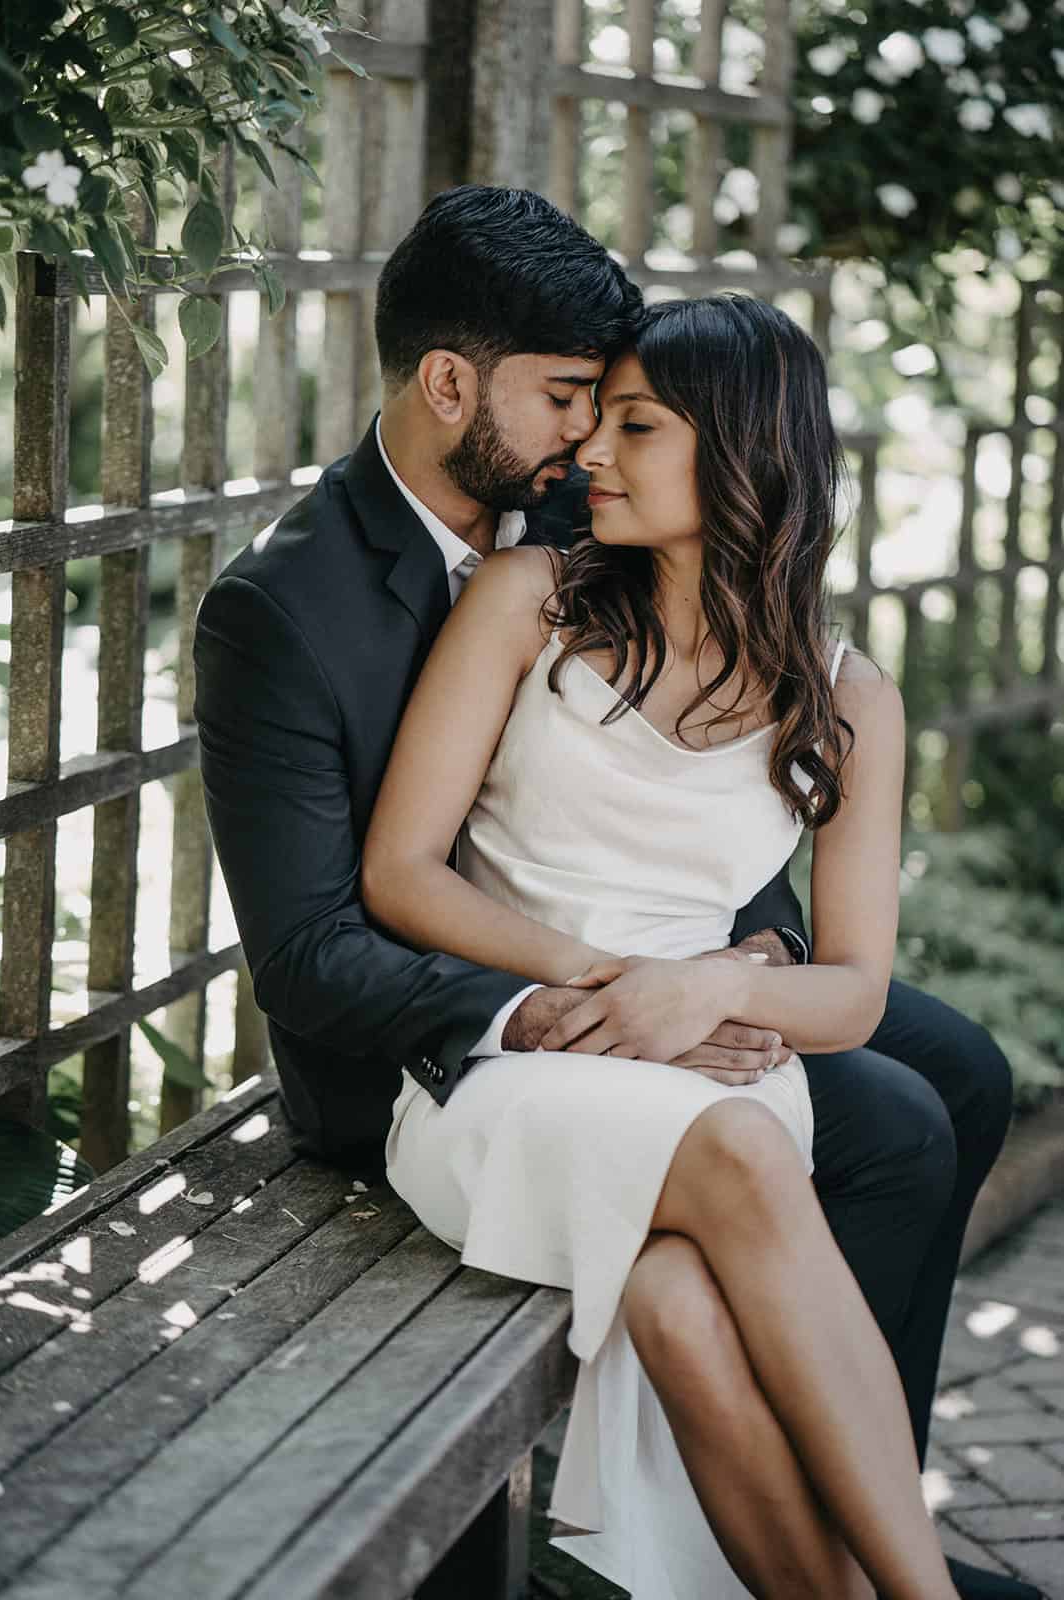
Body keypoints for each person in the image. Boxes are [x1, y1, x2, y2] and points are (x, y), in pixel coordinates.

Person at [194, 186, 1033, 1600]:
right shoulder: (310, 605)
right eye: (577, 401)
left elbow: (720, 768)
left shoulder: (616, 539)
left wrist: (724, 970)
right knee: (846, 1127)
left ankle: (851, 1508)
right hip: (453, 1029)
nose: (591, 438)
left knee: (943, 1082)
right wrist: (625, 993)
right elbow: (336, 929)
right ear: (453, 382)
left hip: (658, 986)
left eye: (619, 411)